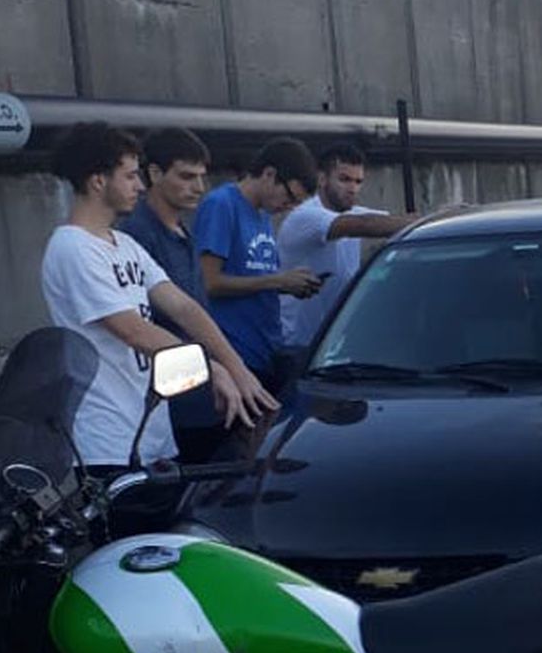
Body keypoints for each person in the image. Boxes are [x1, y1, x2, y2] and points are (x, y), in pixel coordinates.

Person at [39, 122, 277, 502]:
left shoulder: (126, 244)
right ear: (98, 180)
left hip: (154, 436)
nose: (139, 185)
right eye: (131, 175)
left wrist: (237, 369)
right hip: (107, 444)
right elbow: (131, 329)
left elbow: (184, 307)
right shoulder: (71, 248)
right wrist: (209, 368)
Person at [117, 127, 225, 461]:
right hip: (170, 402)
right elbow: (146, 323)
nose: (199, 187)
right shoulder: (136, 235)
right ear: (154, 174)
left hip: (205, 392)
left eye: (201, 177)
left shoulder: (180, 227)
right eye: (187, 176)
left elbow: (193, 306)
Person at [196, 136, 322, 400]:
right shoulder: (222, 205)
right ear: (269, 174)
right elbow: (210, 282)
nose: (287, 207)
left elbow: (253, 275)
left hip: (266, 350)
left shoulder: (263, 214)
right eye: (289, 197)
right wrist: (277, 281)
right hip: (236, 356)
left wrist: (290, 286)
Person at [277, 143, 418, 351]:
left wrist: (443, 217)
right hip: (297, 346)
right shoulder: (305, 216)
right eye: (344, 179)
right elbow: (363, 225)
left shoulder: (353, 214)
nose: (353, 188)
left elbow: (396, 221)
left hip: (333, 346)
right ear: (322, 179)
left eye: (358, 181)